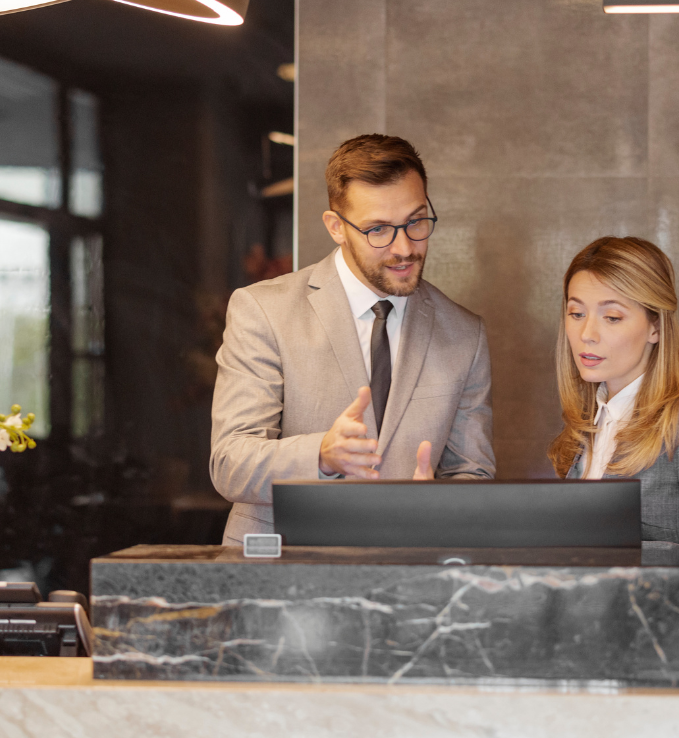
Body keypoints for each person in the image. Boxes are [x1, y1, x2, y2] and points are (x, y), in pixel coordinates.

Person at [210, 134, 495, 544]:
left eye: (416, 221)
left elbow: (474, 473)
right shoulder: (263, 310)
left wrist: (442, 504)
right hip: (282, 568)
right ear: (336, 228)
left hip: (411, 571)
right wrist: (321, 456)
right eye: (378, 229)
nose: (404, 247)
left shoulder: (465, 334)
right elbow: (230, 462)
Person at [547, 236, 679, 566]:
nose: (587, 333)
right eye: (576, 313)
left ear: (656, 327)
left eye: (612, 317)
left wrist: (603, 557)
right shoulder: (586, 421)